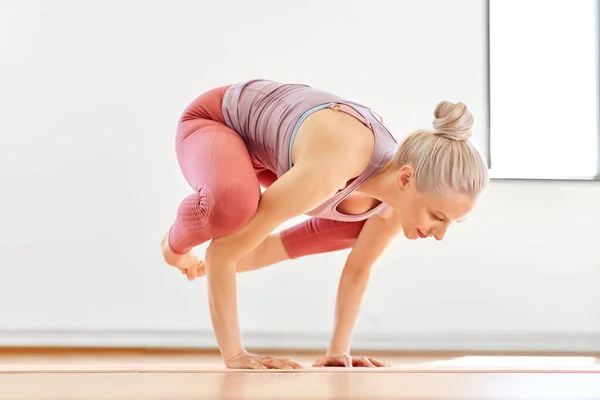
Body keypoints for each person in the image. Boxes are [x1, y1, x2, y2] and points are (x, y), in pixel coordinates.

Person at [160, 79, 489, 370]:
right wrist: (236, 355)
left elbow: (353, 268)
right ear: (406, 178)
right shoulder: (335, 165)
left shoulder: (392, 205)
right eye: (437, 217)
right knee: (233, 207)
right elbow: (225, 252)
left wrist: (339, 351)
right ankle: (173, 243)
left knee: (352, 231)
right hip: (213, 121)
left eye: (452, 223)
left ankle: (190, 254)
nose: (440, 234)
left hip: (269, 157)